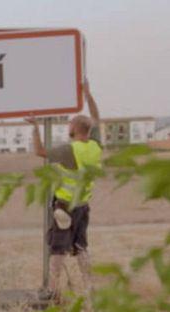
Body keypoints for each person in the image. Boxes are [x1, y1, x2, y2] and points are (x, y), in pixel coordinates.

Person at [25, 81, 101, 299]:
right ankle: (90, 288)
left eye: (70, 125)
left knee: (58, 249)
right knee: (81, 247)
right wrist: (88, 93)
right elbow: (96, 117)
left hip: (65, 208)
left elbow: (40, 152)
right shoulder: (95, 146)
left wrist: (35, 127)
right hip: (83, 206)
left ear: (73, 130)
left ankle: (52, 290)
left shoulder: (70, 150)